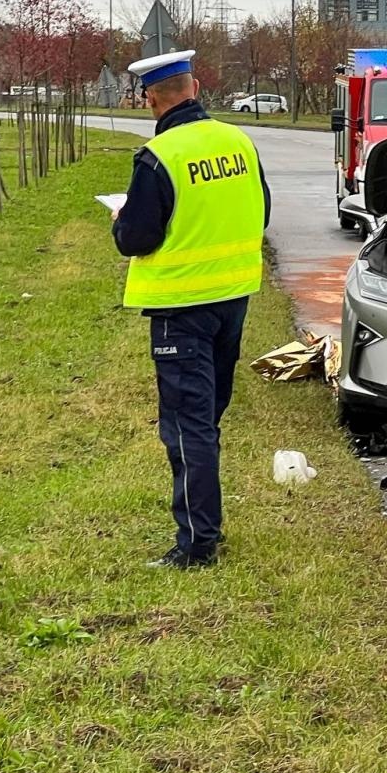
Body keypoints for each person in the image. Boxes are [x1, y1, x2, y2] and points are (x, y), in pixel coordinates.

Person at [112, 50, 272, 569]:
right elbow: (261, 209)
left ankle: (198, 544)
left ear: (150, 98)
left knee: (188, 425)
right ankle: (205, 524)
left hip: (181, 306)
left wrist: (120, 219)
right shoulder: (238, 142)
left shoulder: (159, 156)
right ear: (196, 86)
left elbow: (135, 237)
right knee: (209, 415)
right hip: (233, 300)